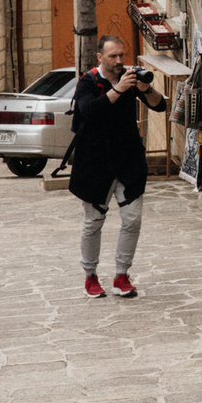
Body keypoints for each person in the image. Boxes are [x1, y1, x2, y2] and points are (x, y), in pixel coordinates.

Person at [71, 35, 164, 298]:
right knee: (94, 222)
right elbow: (89, 111)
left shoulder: (129, 79)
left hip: (128, 161)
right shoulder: (88, 82)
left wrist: (145, 89)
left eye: (122, 55)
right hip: (95, 164)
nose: (119, 61)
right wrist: (119, 89)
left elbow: (161, 106)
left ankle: (122, 275)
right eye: (113, 56)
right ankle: (90, 277)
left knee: (132, 220)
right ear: (100, 57)